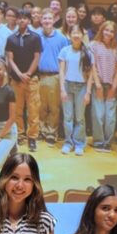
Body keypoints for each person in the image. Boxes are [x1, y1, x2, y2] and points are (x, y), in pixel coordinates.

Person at [5, 9, 42, 152]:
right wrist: (19, 74)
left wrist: (28, 74)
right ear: (16, 20)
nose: (22, 20)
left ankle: (32, 137)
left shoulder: (35, 37)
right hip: (16, 80)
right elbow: (10, 59)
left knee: (33, 111)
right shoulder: (11, 38)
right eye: (19, 18)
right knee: (17, 110)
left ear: (29, 20)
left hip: (31, 80)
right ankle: (19, 134)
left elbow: (37, 58)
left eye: (25, 18)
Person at [36, 8, 69, 147]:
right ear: (40, 20)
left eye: (49, 18)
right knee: (40, 106)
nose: (47, 21)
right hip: (39, 76)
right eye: (44, 18)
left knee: (54, 107)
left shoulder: (61, 38)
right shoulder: (36, 36)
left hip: (55, 76)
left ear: (54, 19)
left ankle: (51, 132)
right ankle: (40, 130)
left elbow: (66, 58)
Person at [58, 26, 92, 156]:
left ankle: (79, 144)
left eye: (78, 33)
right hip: (67, 85)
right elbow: (61, 71)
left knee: (80, 118)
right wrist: (62, 89)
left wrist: (88, 92)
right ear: (69, 35)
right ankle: (68, 143)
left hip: (82, 87)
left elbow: (90, 75)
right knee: (68, 117)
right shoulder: (65, 51)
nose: (76, 35)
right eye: (74, 33)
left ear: (83, 35)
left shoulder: (88, 52)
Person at [89, 20, 117, 153]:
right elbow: (92, 66)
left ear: (115, 34)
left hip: (112, 85)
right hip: (98, 84)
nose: (108, 33)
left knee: (110, 116)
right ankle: (98, 141)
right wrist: (97, 84)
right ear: (102, 30)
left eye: (112, 31)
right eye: (106, 30)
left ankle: (108, 142)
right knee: (98, 114)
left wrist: (114, 86)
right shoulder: (94, 45)